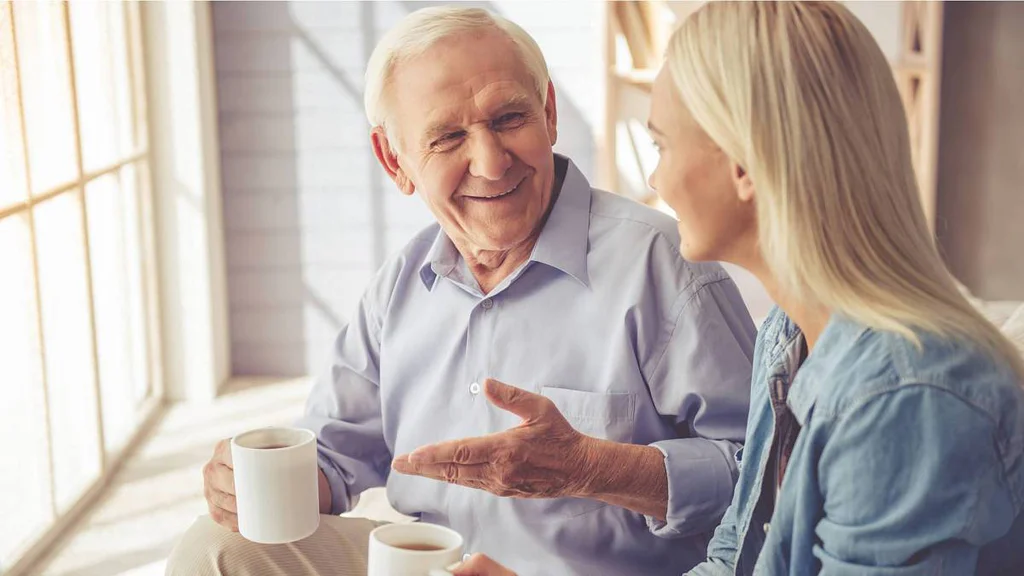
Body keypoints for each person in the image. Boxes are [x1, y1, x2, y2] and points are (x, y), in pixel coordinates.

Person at [164, 6, 756, 576]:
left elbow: (766, 476)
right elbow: (334, 455)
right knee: (215, 549)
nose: (491, 163)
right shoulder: (401, 283)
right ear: (394, 160)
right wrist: (252, 486)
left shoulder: (666, 265)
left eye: (509, 119)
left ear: (549, 112)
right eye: (447, 137)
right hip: (425, 561)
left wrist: (590, 468)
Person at [452, 2, 1024, 575]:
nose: (656, 179)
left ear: (745, 164)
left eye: (662, 146)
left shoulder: (905, 400)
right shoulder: (788, 336)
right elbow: (734, 559)